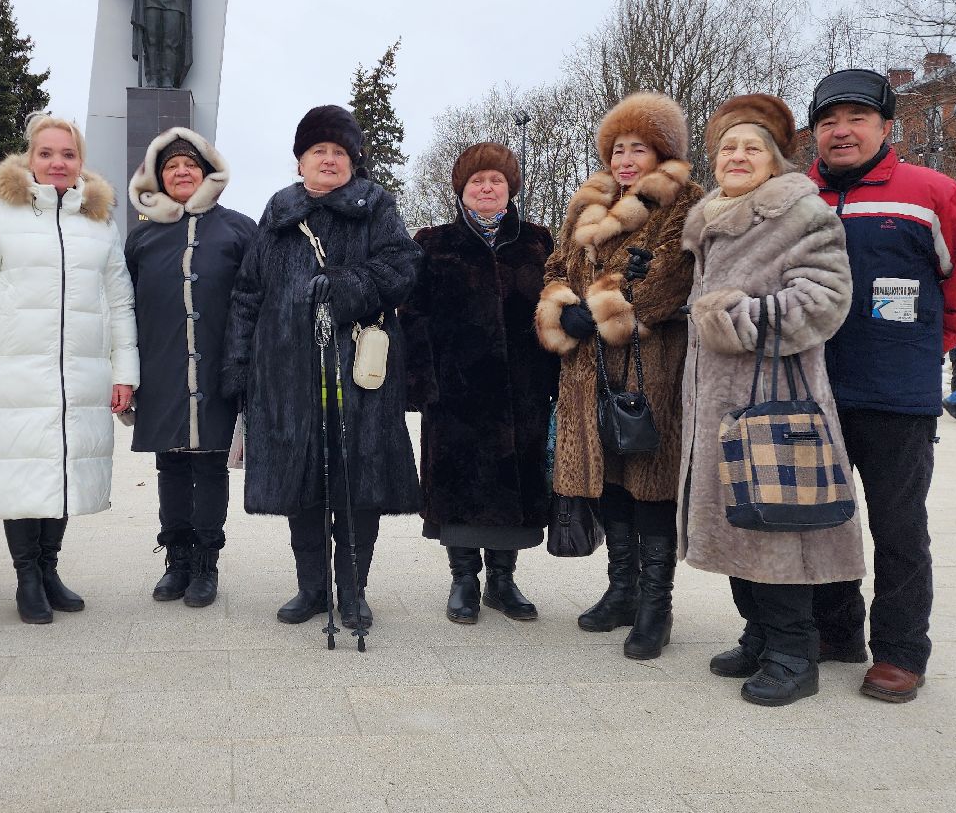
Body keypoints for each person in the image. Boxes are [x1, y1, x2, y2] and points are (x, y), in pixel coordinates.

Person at [805, 68, 956, 703]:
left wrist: (919, 353)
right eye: (829, 121)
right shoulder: (795, 196)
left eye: (856, 118)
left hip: (895, 397)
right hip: (811, 391)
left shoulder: (930, 194)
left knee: (898, 525)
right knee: (819, 524)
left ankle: (901, 650)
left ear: (886, 127)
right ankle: (835, 632)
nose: (842, 132)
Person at [679, 94, 863, 706]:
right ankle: (758, 632)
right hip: (716, 403)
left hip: (775, 397)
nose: (737, 155)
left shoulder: (802, 215)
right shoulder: (709, 219)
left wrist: (737, 318)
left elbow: (824, 301)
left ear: (775, 159)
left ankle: (794, 650)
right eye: (728, 146)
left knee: (779, 525)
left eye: (751, 147)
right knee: (740, 520)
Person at [222, 105, 422, 631]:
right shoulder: (279, 212)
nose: (328, 160)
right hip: (286, 376)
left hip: (359, 376)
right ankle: (311, 588)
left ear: (353, 159)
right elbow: (248, 294)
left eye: (338, 151)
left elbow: (403, 266)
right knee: (302, 481)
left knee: (359, 480)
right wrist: (239, 368)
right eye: (318, 151)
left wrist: (345, 287)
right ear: (299, 161)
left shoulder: (376, 207)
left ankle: (352, 592)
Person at [0, 113, 139, 624]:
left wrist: (125, 373)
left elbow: (118, 302)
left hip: (79, 373)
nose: (58, 163)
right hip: (13, 372)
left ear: (81, 164)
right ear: (29, 158)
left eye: (68, 154)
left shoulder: (99, 221)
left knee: (63, 471)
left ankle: (50, 569)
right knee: (22, 474)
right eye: (47, 153)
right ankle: (26, 576)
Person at [535, 91, 703, 660]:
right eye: (617, 149)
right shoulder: (588, 204)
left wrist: (602, 309)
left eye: (639, 149)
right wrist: (562, 304)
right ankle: (622, 589)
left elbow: (670, 279)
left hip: (647, 363)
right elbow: (558, 265)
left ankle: (656, 605)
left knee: (648, 479)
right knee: (608, 478)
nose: (625, 160)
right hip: (586, 366)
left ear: (662, 153)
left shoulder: (684, 202)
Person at [400, 143, 558, 624]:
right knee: (460, 486)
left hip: (523, 391)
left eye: (496, 181)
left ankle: (503, 581)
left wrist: (553, 378)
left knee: (516, 485)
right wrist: (423, 383)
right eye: (476, 182)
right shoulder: (433, 243)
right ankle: (464, 579)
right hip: (456, 393)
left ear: (511, 189)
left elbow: (553, 307)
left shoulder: (537, 242)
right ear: (461, 190)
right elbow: (412, 315)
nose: (486, 188)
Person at [126, 127, 257, 607]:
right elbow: (124, 308)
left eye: (190, 165)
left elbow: (256, 300)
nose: (181, 172)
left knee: (210, 465)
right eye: (171, 167)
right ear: (157, 178)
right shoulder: (141, 238)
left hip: (219, 369)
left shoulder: (240, 229)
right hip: (161, 368)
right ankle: (176, 560)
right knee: (171, 464)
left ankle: (206, 563)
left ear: (207, 172)